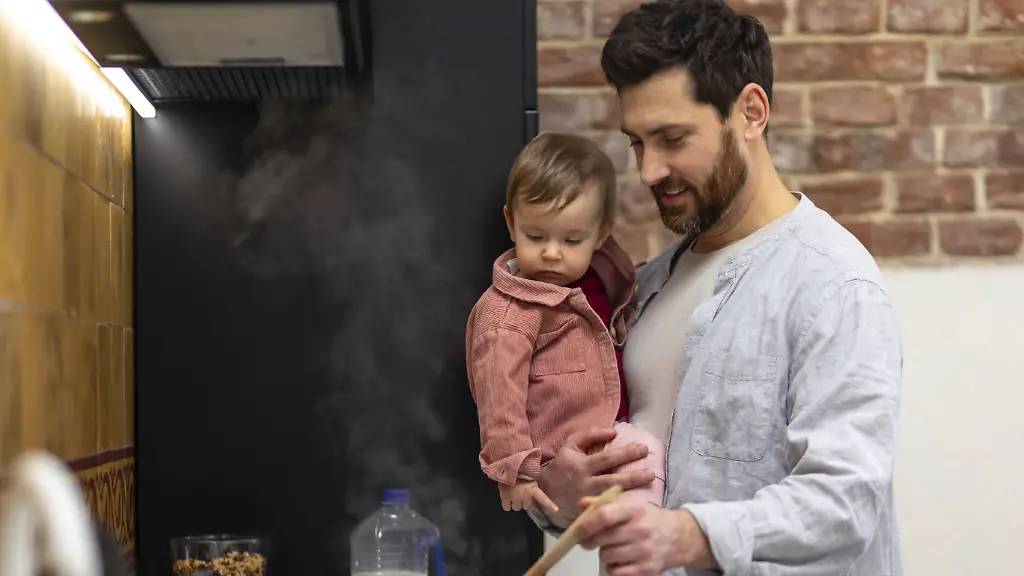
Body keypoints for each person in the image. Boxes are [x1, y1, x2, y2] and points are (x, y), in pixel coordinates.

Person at [528, 1, 905, 575]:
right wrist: (562, 488)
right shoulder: (646, 286)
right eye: (636, 142)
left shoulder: (834, 285)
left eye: (673, 137)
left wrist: (685, 536)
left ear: (751, 113)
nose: (649, 170)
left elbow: (845, 501)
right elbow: (627, 486)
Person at [465, 132, 666, 516]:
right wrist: (515, 471)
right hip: (559, 453)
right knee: (646, 459)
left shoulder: (601, 277)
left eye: (572, 240)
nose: (552, 253)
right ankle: (642, 538)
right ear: (511, 222)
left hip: (606, 429)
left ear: (601, 234)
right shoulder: (509, 314)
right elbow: (498, 395)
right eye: (535, 236)